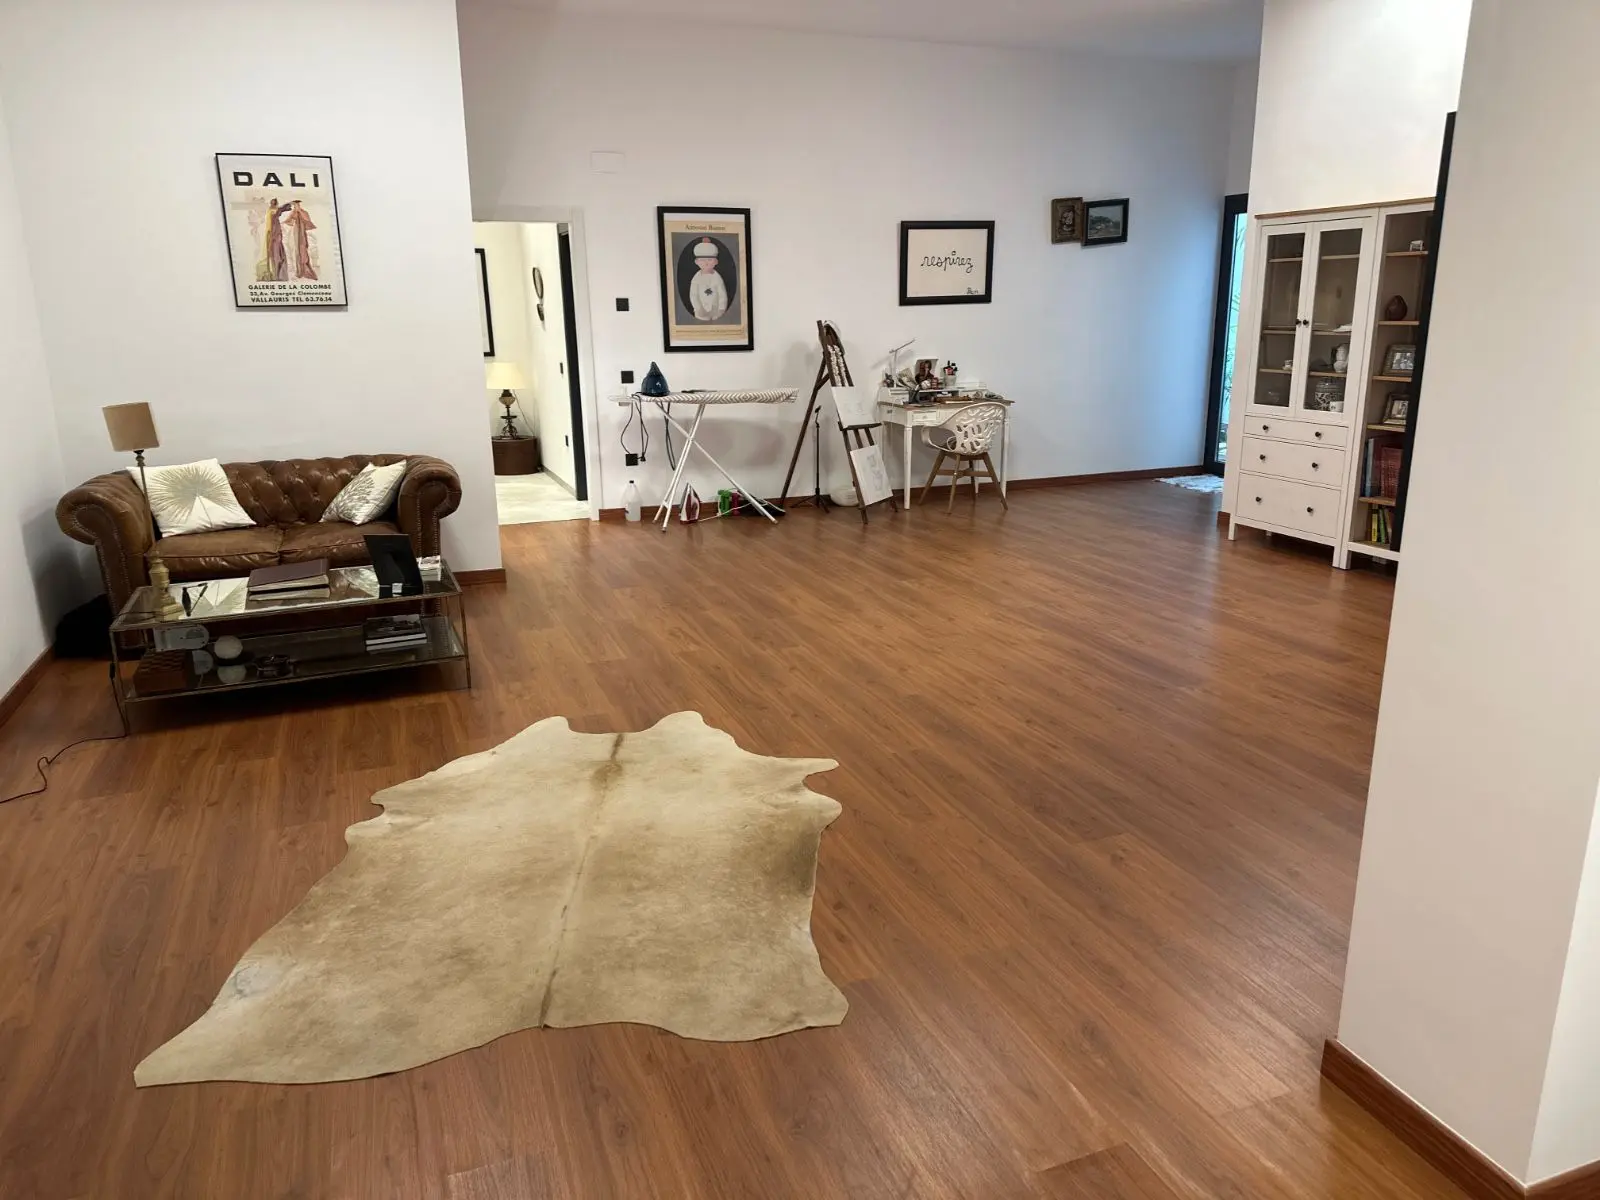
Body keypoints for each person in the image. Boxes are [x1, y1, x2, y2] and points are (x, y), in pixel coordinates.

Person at [688, 238, 729, 322]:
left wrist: (721, 309)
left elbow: (722, 295)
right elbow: (693, 295)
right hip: (701, 312)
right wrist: (698, 308)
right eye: (702, 260)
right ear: (696, 262)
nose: (706, 263)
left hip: (716, 312)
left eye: (709, 260)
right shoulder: (696, 279)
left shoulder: (717, 278)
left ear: (716, 261)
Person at [281, 199, 318, 281]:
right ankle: (299, 271)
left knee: (303, 250)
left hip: (301, 233)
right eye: (294, 205)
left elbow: (307, 220)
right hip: (296, 232)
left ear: (298, 205)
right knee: (297, 251)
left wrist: (300, 212)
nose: (294, 207)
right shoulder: (293, 212)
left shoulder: (303, 212)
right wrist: (284, 222)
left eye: (296, 205)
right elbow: (289, 220)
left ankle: (305, 270)